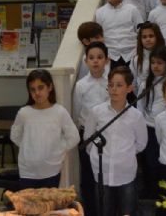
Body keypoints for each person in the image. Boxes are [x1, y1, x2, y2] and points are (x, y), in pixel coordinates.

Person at [84, 66, 148, 216]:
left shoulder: (136, 116)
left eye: (119, 85)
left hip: (125, 174)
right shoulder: (97, 112)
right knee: (105, 211)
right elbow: (88, 139)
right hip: (102, 172)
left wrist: (124, 156)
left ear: (129, 88)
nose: (114, 89)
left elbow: (141, 143)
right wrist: (96, 156)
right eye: (111, 85)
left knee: (127, 211)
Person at [11, 69, 80, 189]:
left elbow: (74, 137)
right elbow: (15, 136)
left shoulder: (59, 112)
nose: (37, 93)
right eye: (33, 89)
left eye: (40, 87)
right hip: (28, 172)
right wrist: (28, 149)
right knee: (29, 206)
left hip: (51, 171)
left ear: (50, 87)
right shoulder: (24, 113)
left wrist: (58, 150)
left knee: (50, 206)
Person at [72, 41, 110, 214]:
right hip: (86, 134)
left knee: (107, 174)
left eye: (100, 57)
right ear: (86, 61)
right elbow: (77, 111)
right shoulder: (81, 85)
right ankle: (91, 211)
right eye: (92, 58)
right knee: (88, 176)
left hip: (108, 133)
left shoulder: (111, 82)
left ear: (107, 60)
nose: (96, 61)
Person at [137, 46, 166, 199]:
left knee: (164, 162)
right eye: (153, 62)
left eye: (160, 63)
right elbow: (140, 106)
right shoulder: (145, 84)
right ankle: (151, 191)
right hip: (149, 127)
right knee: (150, 161)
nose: (155, 66)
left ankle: (165, 193)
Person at [95, 0, 144, 67]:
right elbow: (99, 36)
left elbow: (141, 32)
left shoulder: (132, 10)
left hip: (132, 55)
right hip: (110, 56)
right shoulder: (99, 12)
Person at [130, 22, 166, 93]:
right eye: (144, 37)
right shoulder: (136, 59)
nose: (148, 39)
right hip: (143, 97)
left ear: (157, 37)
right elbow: (133, 82)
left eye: (151, 36)